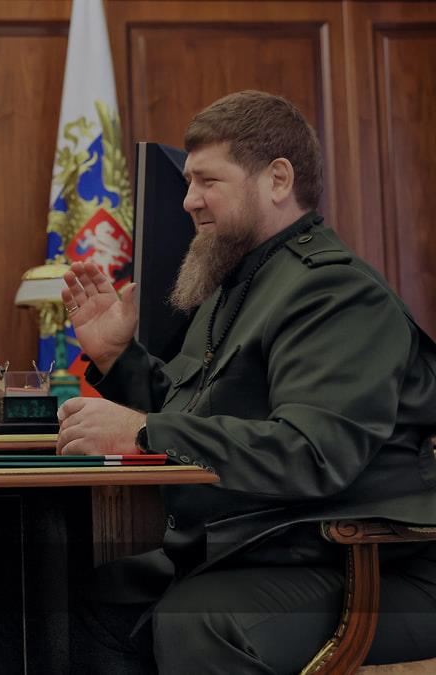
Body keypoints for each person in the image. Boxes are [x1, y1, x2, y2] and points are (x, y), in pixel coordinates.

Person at [56, 91, 436, 673]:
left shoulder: (334, 293)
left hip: (374, 565)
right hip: (270, 544)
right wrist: (116, 358)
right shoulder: (238, 283)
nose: (188, 200)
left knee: (197, 622)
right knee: (91, 601)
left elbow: (312, 454)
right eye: (188, 181)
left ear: (277, 179)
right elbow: (192, 414)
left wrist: (142, 432)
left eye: (208, 181)